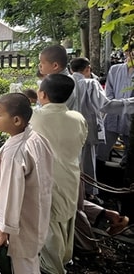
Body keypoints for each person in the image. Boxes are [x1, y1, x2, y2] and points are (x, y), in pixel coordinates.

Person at [0, 93, 54, 274]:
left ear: (16, 120)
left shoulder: (15, 153)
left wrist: (2, 233)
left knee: (24, 267)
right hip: (36, 216)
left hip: (20, 227)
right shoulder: (37, 138)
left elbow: (10, 194)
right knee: (30, 262)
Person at [30, 74, 88, 274]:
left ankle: (54, 269)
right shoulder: (78, 118)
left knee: (51, 225)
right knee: (66, 221)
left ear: (42, 94)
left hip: (49, 181)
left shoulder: (35, 117)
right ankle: (65, 259)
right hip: (71, 177)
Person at [70, 57, 134, 201]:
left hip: (69, 131)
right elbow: (106, 105)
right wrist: (130, 104)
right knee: (88, 164)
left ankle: (79, 194)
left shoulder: (65, 82)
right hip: (88, 129)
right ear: (87, 69)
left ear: (70, 69)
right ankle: (89, 195)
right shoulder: (90, 83)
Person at [97, 43, 134, 186]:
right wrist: (117, 106)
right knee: (101, 149)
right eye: (128, 53)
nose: (129, 56)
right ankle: (100, 183)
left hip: (130, 119)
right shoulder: (115, 69)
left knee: (129, 154)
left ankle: (125, 184)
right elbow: (109, 94)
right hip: (112, 116)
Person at [38, 44, 76, 109]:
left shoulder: (64, 84)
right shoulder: (51, 79)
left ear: (55, 66)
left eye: (42, 63)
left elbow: (54, 110)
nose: (39, 65)